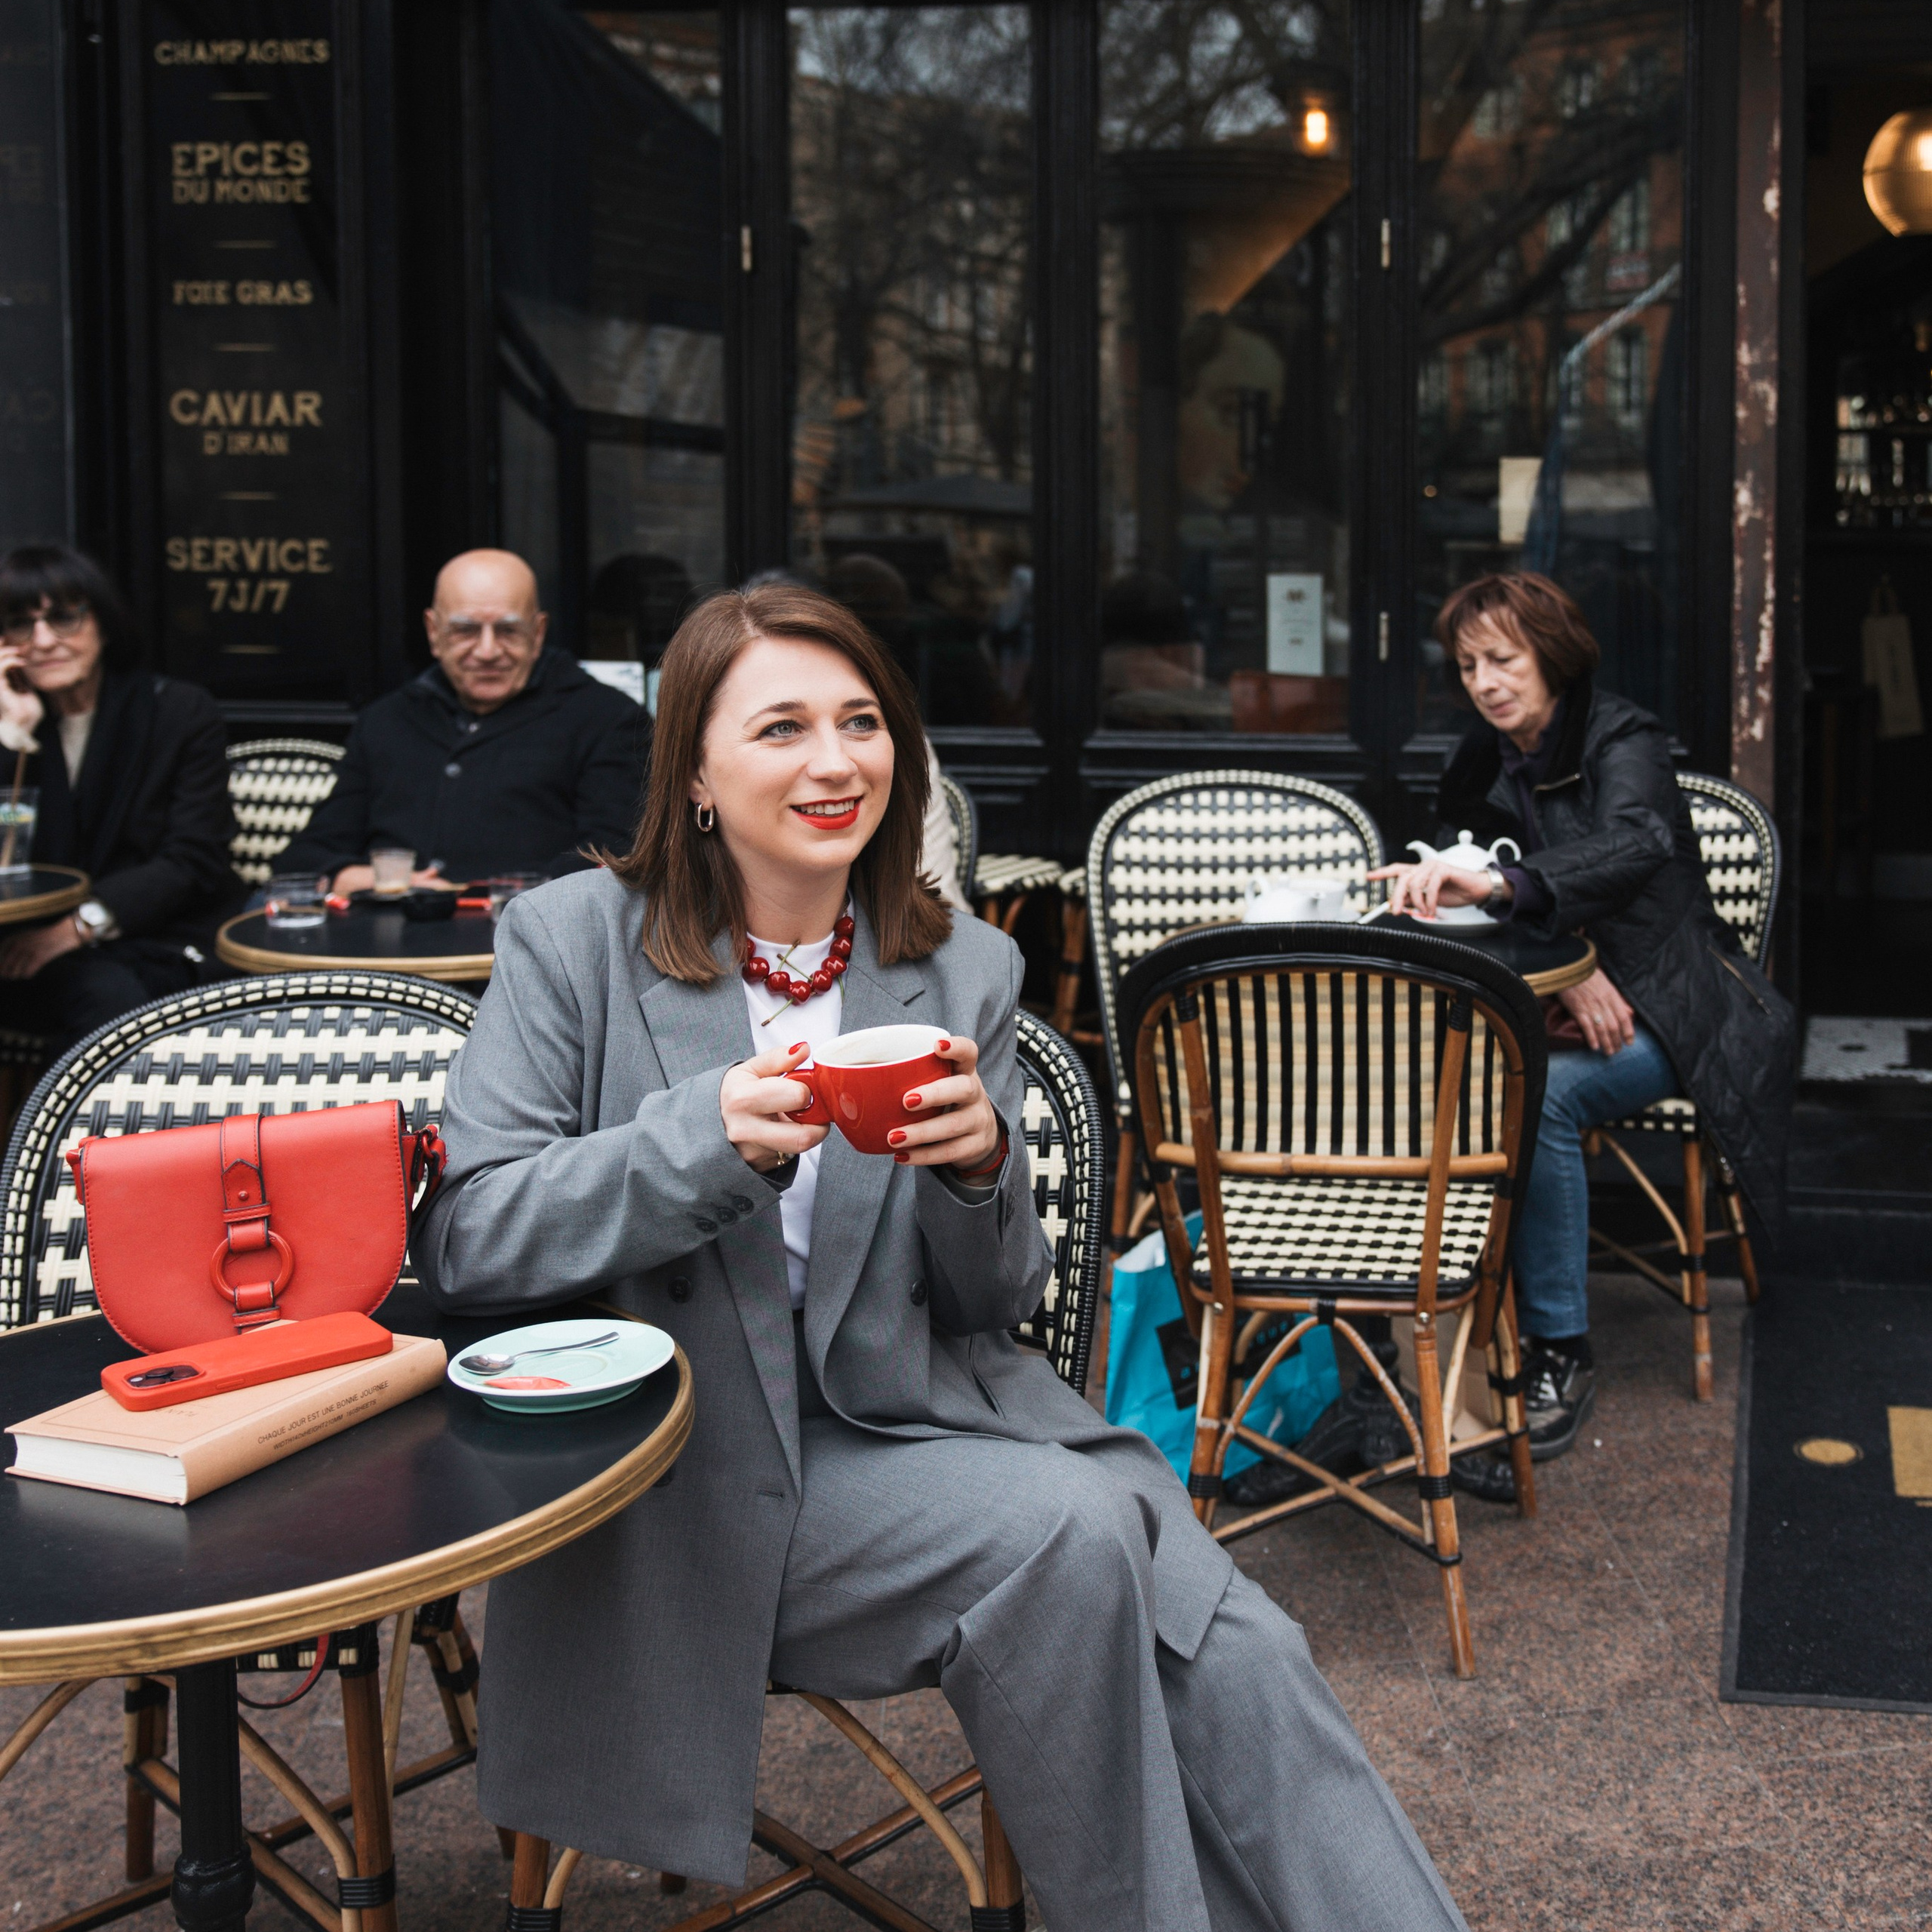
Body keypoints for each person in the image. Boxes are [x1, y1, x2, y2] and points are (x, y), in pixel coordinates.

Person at [414, 583, 1469, 1931]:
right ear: (691, 772)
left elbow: (994, 1304)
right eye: (782, 727)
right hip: (666, 1474)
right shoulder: (570, 944)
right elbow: (477, 1235)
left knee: (1240, 1641)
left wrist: (979, 1178)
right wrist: (703, 1141)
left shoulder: (957, 963)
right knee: (1079, 1538)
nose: (836, 760)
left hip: (902, 1423)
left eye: (863, 722)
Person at [1371, 572, 1795, 1493]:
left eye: (1505, 660)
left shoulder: (1623, 736)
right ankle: (1412, 1329)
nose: (1485, 682)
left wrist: (1506, 894)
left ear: (1550, 658)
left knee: (1545, 1099)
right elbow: (1458, 844)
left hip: (1684, 1005)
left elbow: (1637, 842)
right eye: (1470, 664)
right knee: (1439, 1075)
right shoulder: (1488, 749)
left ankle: (1560, 1347)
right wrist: (1561, 947)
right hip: (1574, 991)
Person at [278, 549, 648, 892]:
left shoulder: (608, 720)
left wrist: (479, 899)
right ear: (433, 632)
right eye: (466, 630)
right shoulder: (386, 721)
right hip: (378, 943)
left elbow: (616, 864)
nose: (487, 651)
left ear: (537, 634)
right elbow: (305, 859)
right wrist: (373, 878)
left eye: (507, 630)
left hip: (522, 950)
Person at [0, 544, 238, 1046]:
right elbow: (17, 868)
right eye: (21, 624)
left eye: (64, 618)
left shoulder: (176, 713)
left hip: (151, 938)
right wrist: (16, 740)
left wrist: (76, 927)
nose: (43, 641)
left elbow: (193, 859)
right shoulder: (10, 728)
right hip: (22, 946)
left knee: (106, 995)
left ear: (102, 624)